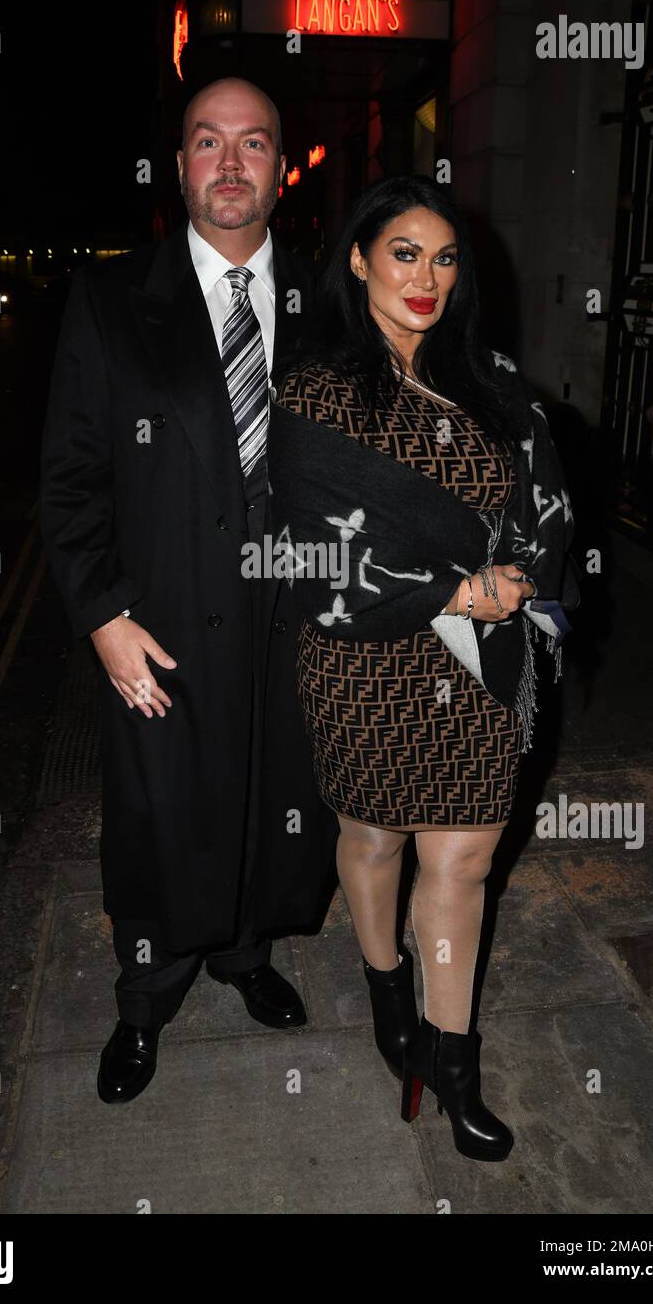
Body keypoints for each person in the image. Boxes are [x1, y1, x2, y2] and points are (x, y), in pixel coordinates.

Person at [38, 77, 339, 1104]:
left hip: (286, 617)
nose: (227, 162)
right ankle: (147, 993)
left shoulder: (324, 301)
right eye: (205, 142)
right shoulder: (113, 300)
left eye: (252, 143)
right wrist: (101, 616)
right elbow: (71, 479)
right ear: (177, 168)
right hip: (159, 616)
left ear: (279, 167)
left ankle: (243, 952)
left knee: (271, 792)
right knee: (161, 811)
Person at [267, 175, 579, 1160]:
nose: (425, 277)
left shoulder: (484, 379)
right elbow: (314, 550)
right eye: (404, 252)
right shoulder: (313, 387)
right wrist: (451, 589)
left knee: (463, 857)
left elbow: (544, 506)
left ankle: (450, 1060)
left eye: (443, 258)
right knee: (372, 835)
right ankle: (382, 982)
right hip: (366, 659)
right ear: (357, 259)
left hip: (481, 663)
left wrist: (518, 575)